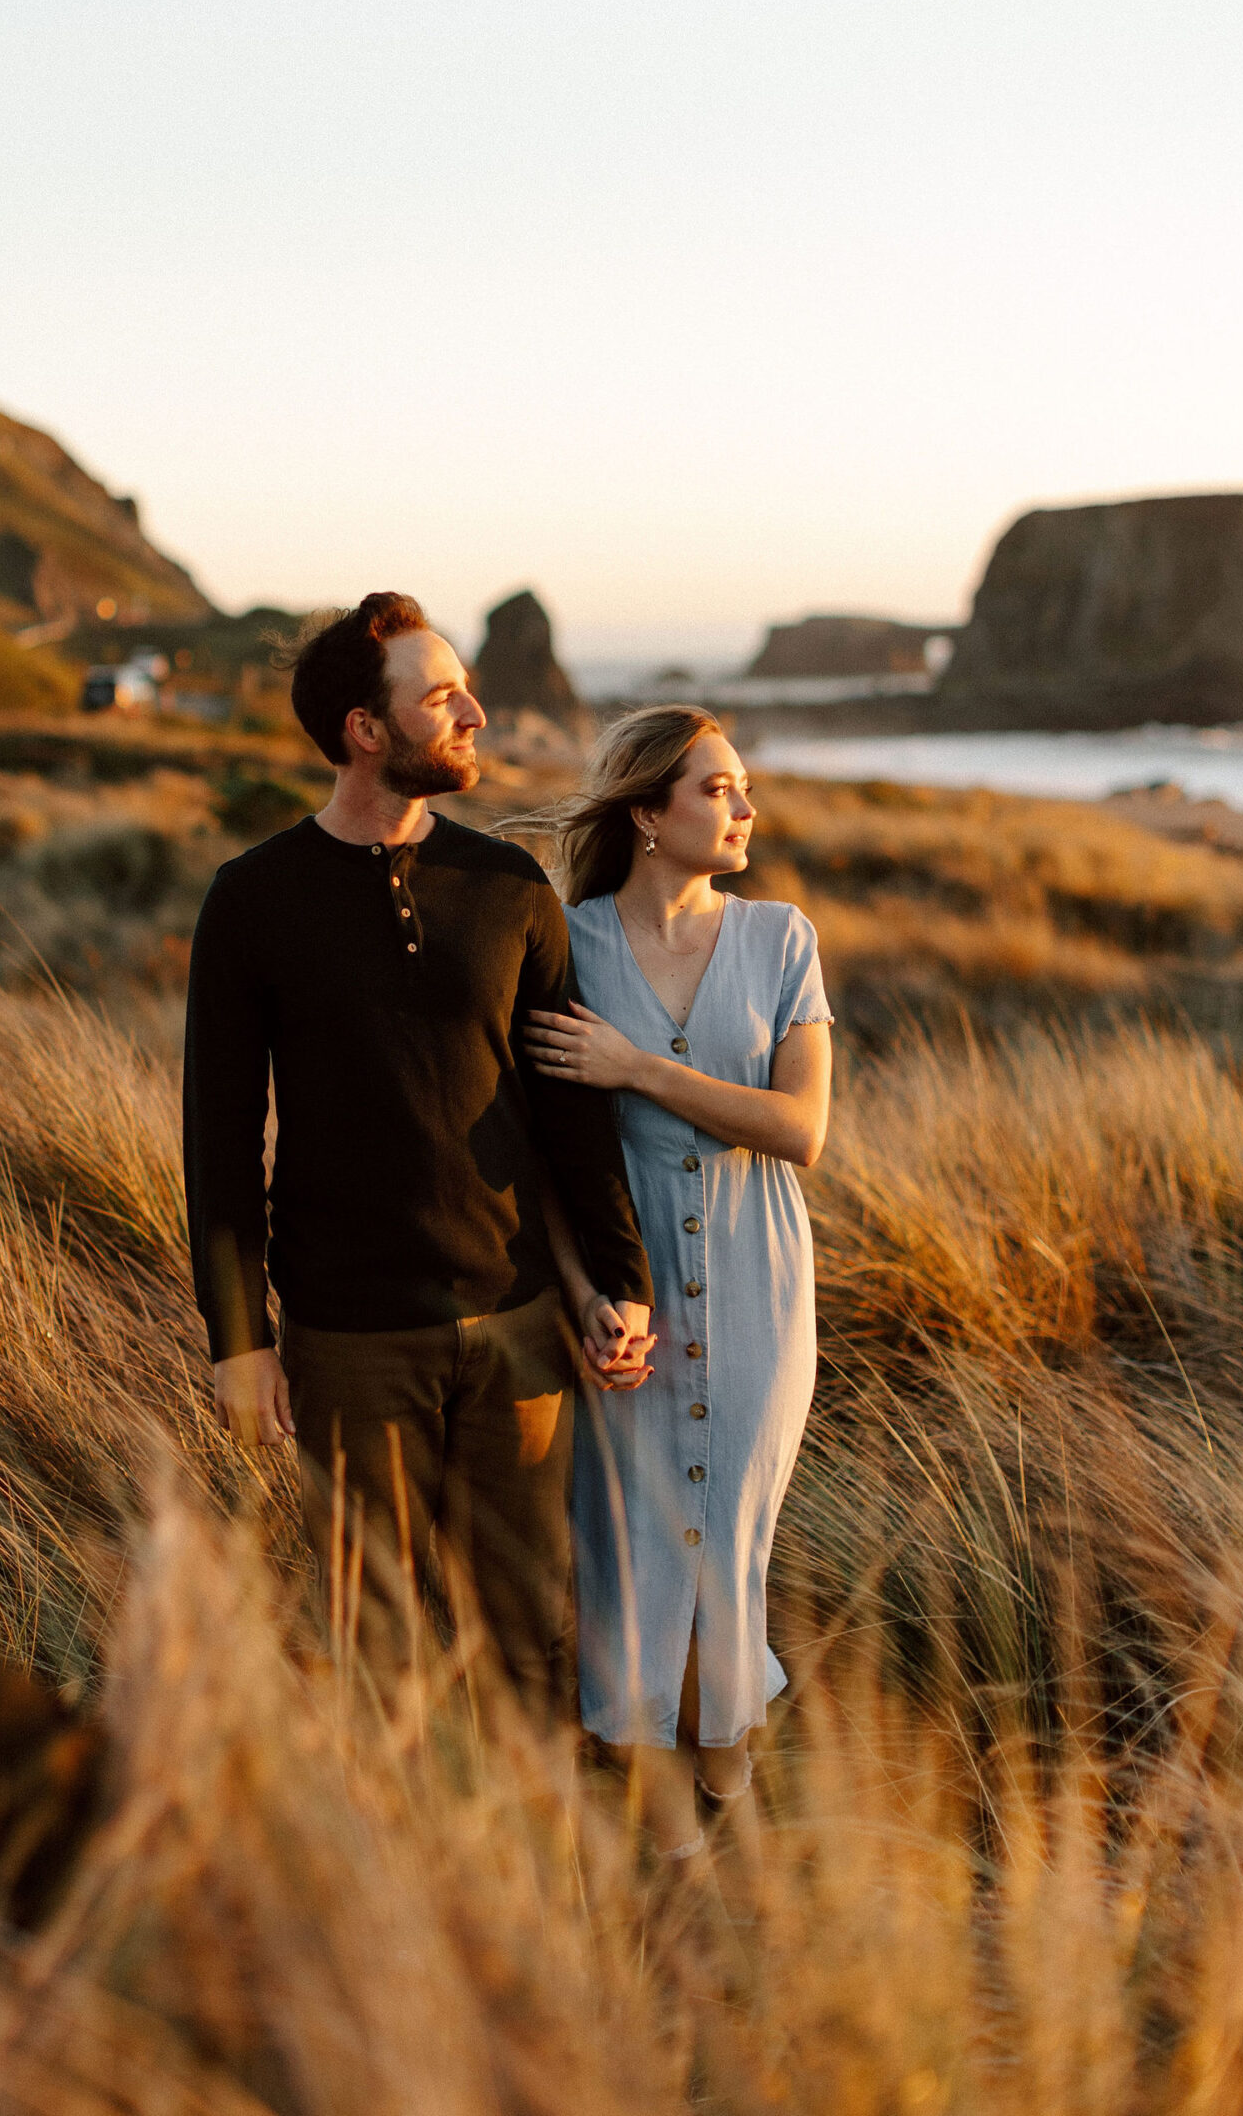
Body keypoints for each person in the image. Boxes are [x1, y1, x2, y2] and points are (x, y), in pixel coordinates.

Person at [182, 592, 654, 1713]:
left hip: (520, 1329)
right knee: (372, 1651)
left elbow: (570, 1114)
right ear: (365, 728)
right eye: (443, 698)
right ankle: (391, 1883)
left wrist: (618, 1283)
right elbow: (219, 1131)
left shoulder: (509, 888)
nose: (476, 713)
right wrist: (239, 1338)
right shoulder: (253, 899)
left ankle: (540, 1886)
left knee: (528, 1646)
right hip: (351, 1339)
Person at [521, 706, 832, 1857]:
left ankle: (723, 1782)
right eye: (718, 788)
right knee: (631, 1529)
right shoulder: (566, 943)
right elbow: (548, 1155)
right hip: (627, 1272)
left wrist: (637, 1066)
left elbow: (801, 1129)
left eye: (743, 786)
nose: (745, 807)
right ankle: (654, 1812)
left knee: (733, 1525)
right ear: (646, 813)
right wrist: (581, 1290)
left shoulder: (781, 937)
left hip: (760, 1273)